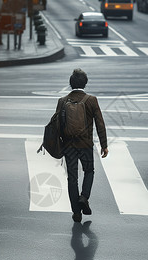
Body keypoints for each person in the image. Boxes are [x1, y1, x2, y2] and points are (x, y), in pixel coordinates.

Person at [55, 69, 108, 223]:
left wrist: (58, 145)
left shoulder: (62, 101)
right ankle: (84, 197)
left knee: (72, 178)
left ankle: (76, 213)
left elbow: (56, 125)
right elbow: (100, 123)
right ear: (85, 83)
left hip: (68, 146)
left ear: (71, 84)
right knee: (89, 171)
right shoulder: (91, 100)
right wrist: (104, 145)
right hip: (85, 144)